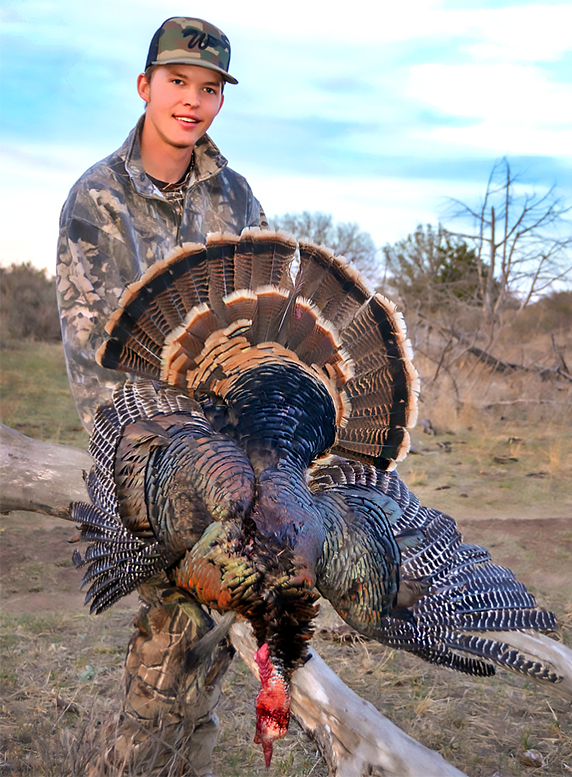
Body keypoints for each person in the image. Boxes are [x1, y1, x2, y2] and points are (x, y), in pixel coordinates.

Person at [56, 17, 267, 775]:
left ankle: (187, 763)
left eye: (209, 89)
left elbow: (266, 319)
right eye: (178, 82)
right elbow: (92, 352)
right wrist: (172, 459)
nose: (193, 100)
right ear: (145, 86)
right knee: (174, 638)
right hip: (142, 455)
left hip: (231, 458)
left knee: (213, 645)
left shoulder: (235, 197)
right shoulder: (97, 198)